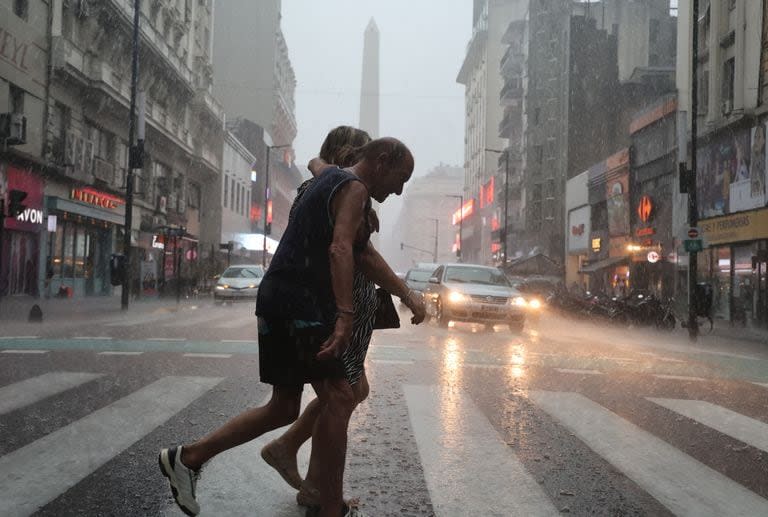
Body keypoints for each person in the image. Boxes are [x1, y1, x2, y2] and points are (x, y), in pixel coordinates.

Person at [158, 135, 425, 517]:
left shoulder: (332, 178)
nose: (399, 191)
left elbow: (356, 246)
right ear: (382, 161)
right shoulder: (354, 189)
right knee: (340, 397)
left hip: (278, 298)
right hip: (300, 305)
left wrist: (401, 295)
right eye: (400, 178)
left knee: (284, 407)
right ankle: (329, 507)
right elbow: (342, 249)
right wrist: (345, 316)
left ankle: (187, 458)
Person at [260, 126, 382, 508]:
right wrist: (404, 293)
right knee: (340, 396)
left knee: (347, 393)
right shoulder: (332, 188)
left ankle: (302, 466)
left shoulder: (343, 188)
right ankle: (318, 488)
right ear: (345, 155)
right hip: (326, 307)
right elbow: (350, 251)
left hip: (344, 306)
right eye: (359, 153)